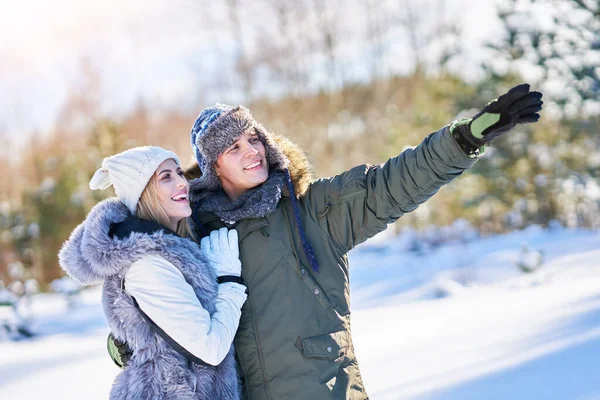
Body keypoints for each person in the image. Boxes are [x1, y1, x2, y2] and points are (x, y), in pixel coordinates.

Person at [110, 84, 543, 399]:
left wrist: (464, 138)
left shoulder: (313, 211)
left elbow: (391, 185)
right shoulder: (198, 232)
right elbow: (162, 298)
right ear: (212, 168)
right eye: (233, 148)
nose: (252, 151)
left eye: (253, 138)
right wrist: (131, 337)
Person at [59, 146, 248, 399]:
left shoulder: (174, 250)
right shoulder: (147, 266)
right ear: (143, 193)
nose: (182, 183)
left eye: (179, 173)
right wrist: (229, 283)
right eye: (166, 177)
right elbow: (209, 348)